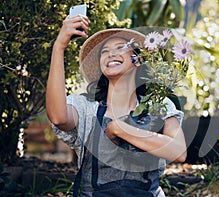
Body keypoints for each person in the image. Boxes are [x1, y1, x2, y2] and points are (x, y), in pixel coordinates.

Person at [46, 14, 187, 197]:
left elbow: (178, 152)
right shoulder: (87, 108)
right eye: (104, 52)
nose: (111, 54)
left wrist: (120, 129)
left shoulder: (158, 105)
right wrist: (59, 47)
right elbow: (58, 117)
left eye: (120, 47)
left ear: (137, 60)